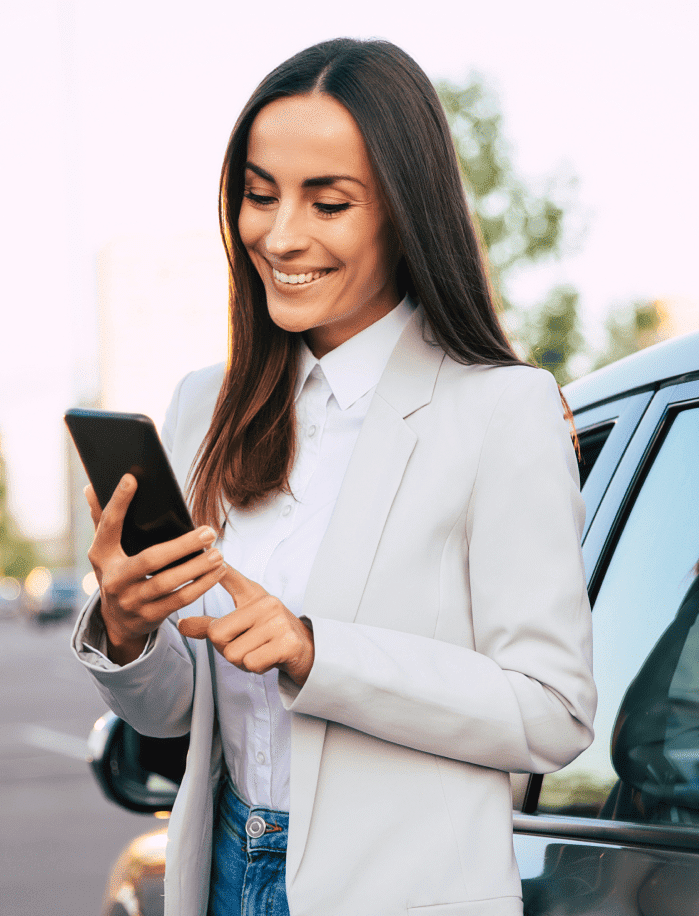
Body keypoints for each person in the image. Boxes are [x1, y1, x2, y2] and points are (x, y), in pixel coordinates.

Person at [73, 37, 597, 916]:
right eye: (259, 195)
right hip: (227, 870)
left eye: (329, 202)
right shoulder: (205, 405)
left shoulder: (501, 410)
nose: (281, 236)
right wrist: (128, 633)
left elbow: (553, 712)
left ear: (403, 210)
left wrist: (317, 650)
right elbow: (176, 715)